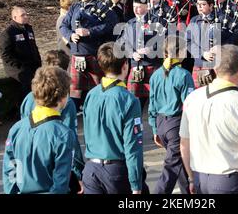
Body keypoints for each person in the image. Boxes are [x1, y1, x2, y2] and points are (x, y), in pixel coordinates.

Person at [179, 44, 238, 194]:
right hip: (230, 182)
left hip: (200, 179)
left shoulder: (192, 98)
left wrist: (191, 178)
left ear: (215, 70)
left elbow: (184, 143)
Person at [82, 42, 146, 194]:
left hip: (91, 169)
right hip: (115, 172)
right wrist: (136, 184)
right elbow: (133, 146)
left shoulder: (91, 94)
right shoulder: (129, 100)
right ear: (125, 65)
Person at [19, 50, 85, 193]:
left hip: (28, 170)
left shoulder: (28, 99)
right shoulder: (65, 102)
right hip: (53, 168)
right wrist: (79, 173)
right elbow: (71, 141)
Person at [3, 66, 75, 194]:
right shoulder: (63, 134)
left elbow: (9, 172)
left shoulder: (16, 129)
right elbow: (61, 182)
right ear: (63, 97)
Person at [60, 0, 118, 111]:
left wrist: (90, 32)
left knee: (98, 86)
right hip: (77, 54)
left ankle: (100, 112)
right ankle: (72, 117)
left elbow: (111, 25)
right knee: (74, 89)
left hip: (94, 54)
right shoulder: (75, 7)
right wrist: (70, 35)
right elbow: (63, 26)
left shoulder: (103, 8)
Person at [148, 35, 195, 194]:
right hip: (176, 124)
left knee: (180, 162)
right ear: (180, 52)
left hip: (161, 122)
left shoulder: (155, 75)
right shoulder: (184, 74)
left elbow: (152, 105)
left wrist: (155, 129)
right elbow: (189, 105)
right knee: (171, 168)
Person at [118, 0, 164, 110]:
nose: (136, 10)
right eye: (134, 6)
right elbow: (120, 43)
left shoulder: (158, 22)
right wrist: (132, 53)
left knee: (156, 102)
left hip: (153, 65)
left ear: (147, 7)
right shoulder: (130, 23)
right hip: (135, 67)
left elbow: (166, 42)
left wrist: (151, 49)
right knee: (133, 102)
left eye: (139, 7)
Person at [0, 6, 42, 106]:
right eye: (23, 15)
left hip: (32, 65)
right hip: (17, 68)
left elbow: (34, 47)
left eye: (26, 14)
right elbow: (5, 55)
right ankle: (23, 111)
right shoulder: (8, 33)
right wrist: (20, 66)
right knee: (27, 84)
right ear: (14, 17)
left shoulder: (28, 29)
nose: (26, 16)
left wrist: (38, 62)